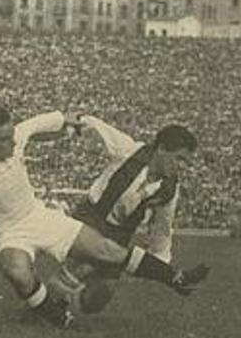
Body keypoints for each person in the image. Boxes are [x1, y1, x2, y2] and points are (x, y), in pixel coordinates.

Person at [0, 104, 210, 328]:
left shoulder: (15, 137)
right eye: (5, 139)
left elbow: (38, 123)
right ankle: (54, 315)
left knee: (106, 262)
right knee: (16, 270)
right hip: (7, 232)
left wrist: (68, 119)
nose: (14, 141)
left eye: (12, 135)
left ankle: (173, 277)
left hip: (39, 216)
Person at [56, 116, 203, 312]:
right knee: (82, 266)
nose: (182, 167)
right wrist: (78, 121)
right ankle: (49, 304)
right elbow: (99, 128)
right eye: (179, 158)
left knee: (98, 299)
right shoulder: (130, 150)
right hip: (92, 216)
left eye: (186, 163)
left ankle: (62, 301)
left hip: (120, 233)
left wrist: (160, 260)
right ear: (161, 148)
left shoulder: (169, 189)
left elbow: (163, 227)